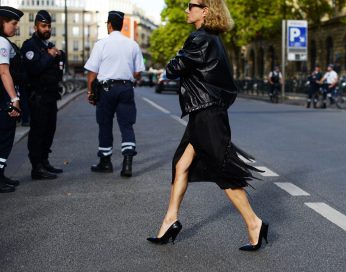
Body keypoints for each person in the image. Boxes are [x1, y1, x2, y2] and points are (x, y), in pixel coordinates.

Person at [147, 0, 268, 251]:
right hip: (203, 113)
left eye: (192, 5)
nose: (186, 9)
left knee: (222, 169)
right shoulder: (213, 39)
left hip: (207, 115)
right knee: (181, 164)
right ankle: (170, 220)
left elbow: (175, 68)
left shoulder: (200, 39)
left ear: (205, 10)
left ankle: (254, 223)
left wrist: (173, 60)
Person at [84, 11, 145, 177]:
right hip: (125, 88)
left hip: (106, 90)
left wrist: (90, 91)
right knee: (126, 125)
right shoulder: (132, 45)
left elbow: (92, 72)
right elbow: (138, 72)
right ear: (121, 24)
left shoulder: (101, 44)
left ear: (109, 24)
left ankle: (105, 162)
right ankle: (127, 164)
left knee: (105, 125)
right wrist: (130, 75)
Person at [21, 10, 65, 180]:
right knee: (38, 132)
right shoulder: (30, 46)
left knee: (49, 130)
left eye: (49, 26)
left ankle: (45, 161)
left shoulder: (48, 46)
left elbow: (56, 71)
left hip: (51, 96)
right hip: (37, 96)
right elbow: (34, 69)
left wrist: (59, 55)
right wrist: (49, 55)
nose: (47, 29)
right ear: (36, 26)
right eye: (43, 26)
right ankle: (36, 167)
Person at [0, 6, 24, 193]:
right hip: (3, 98)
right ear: (2, 22)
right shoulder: (2, 42)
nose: (15, 27)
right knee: (5, 136)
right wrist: (14, 98)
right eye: (13, 23)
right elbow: (4, 71)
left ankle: (1, 174)